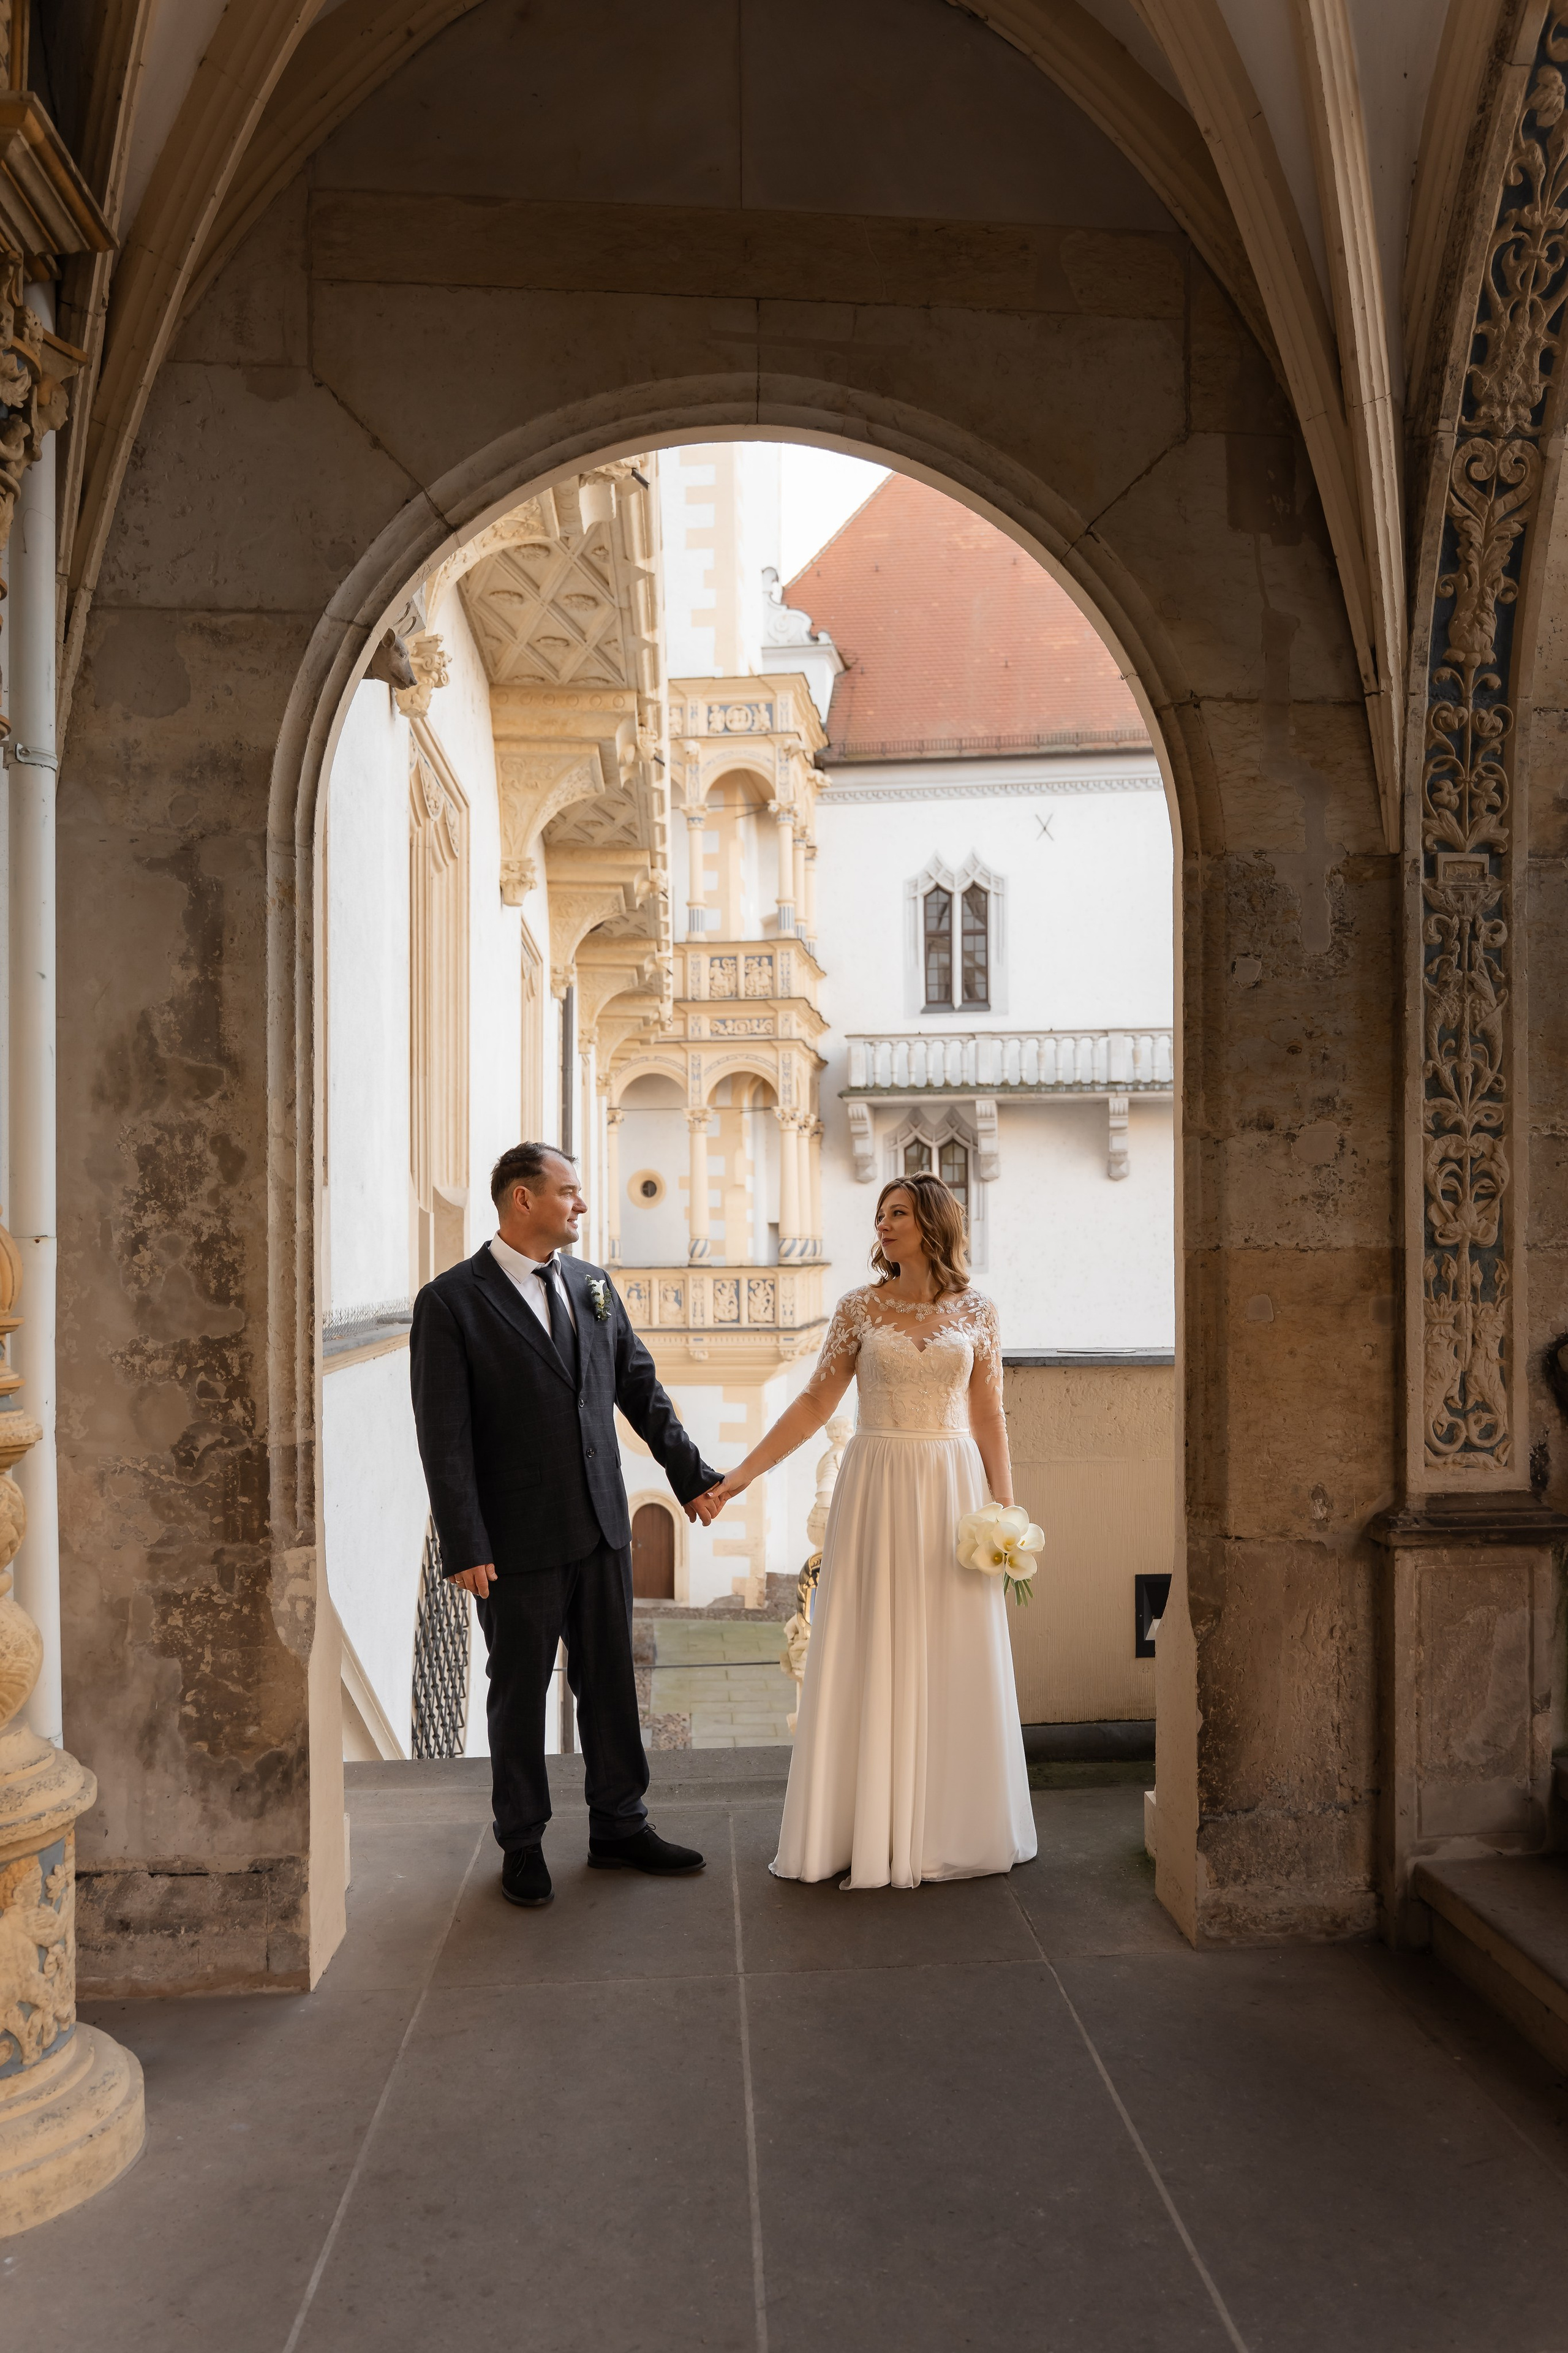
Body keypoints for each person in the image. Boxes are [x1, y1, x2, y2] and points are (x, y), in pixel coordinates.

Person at [410, 1143, 723, 1908]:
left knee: (610, 1683)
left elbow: (638, 1389)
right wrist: (465, 1542)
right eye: (569, 1192)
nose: (581, 1205)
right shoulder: (451, 1302)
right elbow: (442, 1435)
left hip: (601, 1526)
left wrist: (693, 1478)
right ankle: (521, 1842)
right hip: (513, 1545)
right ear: (522, 1200)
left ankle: (620, 1824)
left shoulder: (591, 1286)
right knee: (518, 1693)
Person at [703, 1173, 1036, 1888]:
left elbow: (988, 1417)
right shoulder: (858, 1308)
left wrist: (1005, 1515)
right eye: (881, 1214)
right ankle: (862, 1824)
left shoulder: (979, 1311)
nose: (883, 1225)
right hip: (878, 1481)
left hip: (952, 1485)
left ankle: (950, 1825)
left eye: (899, 1214)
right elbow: (813, 1402)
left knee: (949, 1642)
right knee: (872, 1636)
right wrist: (743, 1474)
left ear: (933, 1225)